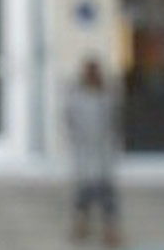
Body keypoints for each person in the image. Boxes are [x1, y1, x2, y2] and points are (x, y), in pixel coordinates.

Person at [64, 58, 122, 248]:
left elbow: (113, 123)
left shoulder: (107, 97)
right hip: (84, 152)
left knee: (107, 194)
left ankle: (110, 230)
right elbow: (70, 121)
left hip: (103, 152)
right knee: (83, 192)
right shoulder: (77, 97)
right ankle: (81, 226)